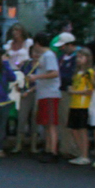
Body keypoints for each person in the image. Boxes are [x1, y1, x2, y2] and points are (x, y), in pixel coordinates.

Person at [28, 32, 61, 162]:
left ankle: (53, 151)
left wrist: (36, 77)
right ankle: (48, 148)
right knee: (47, 123)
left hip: (50, 93)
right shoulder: (44, 56)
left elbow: (54, 73)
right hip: (44, 93)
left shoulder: (49, 55)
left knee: (51, 124)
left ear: (37, 43)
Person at [55, 32, 80, 159]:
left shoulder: (77, 58)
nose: (61, 48)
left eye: (63, 46)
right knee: (63, 120)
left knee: (71, 122)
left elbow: (71, 76)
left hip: (71, 92)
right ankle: (65, 148)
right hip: (61, 91)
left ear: (70, 45)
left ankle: (74, 149)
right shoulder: (61, 58)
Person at [67, 48, 94, 165]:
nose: (78, 60)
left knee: (82, 130)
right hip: (74, 104)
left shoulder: (89, 73)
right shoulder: (76, 73)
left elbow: (90, 90)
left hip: (83, 105)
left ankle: (85, 155)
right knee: (74, 129)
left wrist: (75, 92)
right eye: (77, 57)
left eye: (81, 57)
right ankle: (80, 153)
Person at [12, 45, 39, 154]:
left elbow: (42, 82)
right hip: (24, 94)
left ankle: (34, 146)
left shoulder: (41, 65)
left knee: (34, 119)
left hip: (36, 93)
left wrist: (30, 90)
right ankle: (18, 144)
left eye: (38, 52)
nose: (36, 54)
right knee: (22, 118)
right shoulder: (26, 64)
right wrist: (18, 86)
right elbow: (20, 76)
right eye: (33, 52)